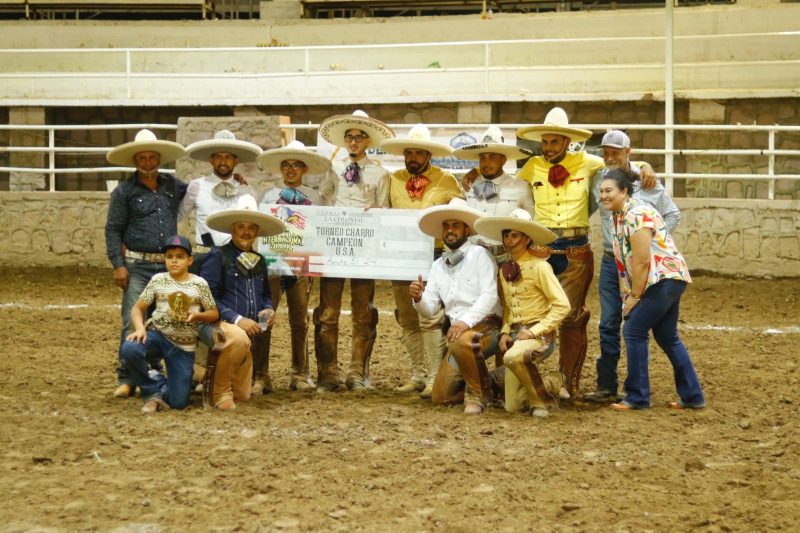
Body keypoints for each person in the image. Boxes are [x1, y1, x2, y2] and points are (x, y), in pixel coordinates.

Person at [516, 107, 656, 397]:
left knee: (568, 314)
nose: (549, 147)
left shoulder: (588, 162)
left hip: (574, 248)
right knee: (536, 312)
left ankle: (567, 381)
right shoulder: (531, 168)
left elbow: (618, 163)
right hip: (542, 247)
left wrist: (643, 165)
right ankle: (534, 376)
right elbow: (510, 186)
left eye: (555, 142)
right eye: (545, 142)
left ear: (567, 142)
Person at [584, 130, 682, 403]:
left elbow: (673, 213)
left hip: (640, 263)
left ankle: (636, 387)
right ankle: (607, 385)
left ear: (629, 153)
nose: (609, 157)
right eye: (605, 152)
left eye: (615, 152)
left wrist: (649, 241)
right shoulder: (599, 180)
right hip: (610, 260)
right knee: (609, 321)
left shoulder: (648, 182)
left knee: (637, 323)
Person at [598, 169, 705, 411]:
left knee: (634, 329)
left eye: (609, 191)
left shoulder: (637, 213)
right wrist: (628, 290)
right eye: (601, 191)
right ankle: (692, 395)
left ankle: (637, 397)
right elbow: (626, 259)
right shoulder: (619, 216)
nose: (604, 195)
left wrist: (635, 296)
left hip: (662, 278)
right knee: (667, 336)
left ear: (624, 191)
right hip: (668, 277)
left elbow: (643, 260)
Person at [313, 110, 394, 391]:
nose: (354, 141)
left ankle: (357, 371)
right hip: (336, 243)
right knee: (328, 311)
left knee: (363, 311)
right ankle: (328, 372)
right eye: (349, 137)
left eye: (359, 137)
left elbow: (385, 208)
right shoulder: (334, 168)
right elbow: (325, 198)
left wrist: (377, 213)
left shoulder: (381, 173)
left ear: (368, 141)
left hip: (364, 248)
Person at [380, 124, 463, 396]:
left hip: (434, 257)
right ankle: (417, 374)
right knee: (407, 318)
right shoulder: (392, 180)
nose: (413, 157)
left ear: (429, 155)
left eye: (418, 153)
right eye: (409, 153)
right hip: (401, 256)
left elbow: (460, 216)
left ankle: (434, 378)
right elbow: (383, 214)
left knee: (430, 317)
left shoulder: (446, 180)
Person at [105, 129, 187, 398]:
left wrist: (235, 180)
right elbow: (113, 229)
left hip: (168, 265)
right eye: (143, 157)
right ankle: (127, 376)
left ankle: (151, 370)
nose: (149, 162)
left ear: (159, 159)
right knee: (133, 319)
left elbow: (200, 190)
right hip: (137, 264)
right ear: (135, 160)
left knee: (166, 319)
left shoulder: (173, 186)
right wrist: (118, 264)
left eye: (153, 157)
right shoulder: (124, 191)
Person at [474, 210, 571, 417]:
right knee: (513, 406)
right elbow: (508, 307)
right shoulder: (504, 270)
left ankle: (540, 401)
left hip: (539, 336)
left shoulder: (540, 267)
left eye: (515, 235)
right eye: (506, 235)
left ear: (527, 238)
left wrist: (535, 331)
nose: (509, 240)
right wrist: (506, 331)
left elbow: (562, 305)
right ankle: (553, 381)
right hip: (516, 337)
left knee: (511, 357)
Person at [410, 199, 503, 415]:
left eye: (455, 226)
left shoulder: (480, 255)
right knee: (441, 397)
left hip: (487, 327)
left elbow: (489, 295)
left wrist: (464, 322)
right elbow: (430, 309)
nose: (450, 231)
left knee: (463, 340)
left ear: (466, 230)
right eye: (446, 226)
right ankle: (492, 382)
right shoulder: (437, 266)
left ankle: (477, 396)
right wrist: (418, 298)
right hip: (458, 333)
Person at [256, 140, 332, 392]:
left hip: (301, 265)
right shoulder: (268, 197)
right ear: (281, 168)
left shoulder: (315, 198)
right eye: (286, 166)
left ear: (304, 169)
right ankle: (261, 374)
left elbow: (320, 231)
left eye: (296, 166)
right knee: (266, 317)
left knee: (300, 320)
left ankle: (299, 373)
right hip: (273, 264)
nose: (290, 170)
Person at [201, 196, 286, 410]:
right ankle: (219, 392)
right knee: (238, 338)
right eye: (241, 227)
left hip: (243, 334)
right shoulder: (217, 256)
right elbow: (207, 296)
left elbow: (266, 293)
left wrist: (267, 307)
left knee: (244, 395)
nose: (246, 232)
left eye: (251, 227)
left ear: (257, 231)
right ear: (232, 229)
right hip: (218, 325)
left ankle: (203, 375)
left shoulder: (259, 260)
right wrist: (238, 320)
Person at [119, 235, 219, 414]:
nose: (174, 261)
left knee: (178, 402)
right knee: (129, 348)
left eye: (180, 256)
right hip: (158, 336)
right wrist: (140, 328)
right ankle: (151, 391)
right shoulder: (158, 280)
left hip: (183, 347)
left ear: (190, 261)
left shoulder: (199, 283)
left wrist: (196, 316)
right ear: (165, 259)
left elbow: (214, 313)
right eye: (169, 256)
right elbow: (136, 309)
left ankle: (157, 380)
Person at [452, 125, 535, 263]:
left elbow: (531, 225)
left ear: (503, 160)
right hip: (471, 257)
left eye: (492, 157)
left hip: (507, 258)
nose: (486, 163)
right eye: (483, 157)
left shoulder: (521, 187)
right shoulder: (469, 184)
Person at [181, 130, 261, 252]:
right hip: (204, 253)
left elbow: (251, 224)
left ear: (236, 161)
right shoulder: (196, 186)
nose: (223, 162)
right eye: (218, 157)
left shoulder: (244, 188)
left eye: (228, 157)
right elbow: (179, 216)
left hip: (235, 254)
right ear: (211, 160)